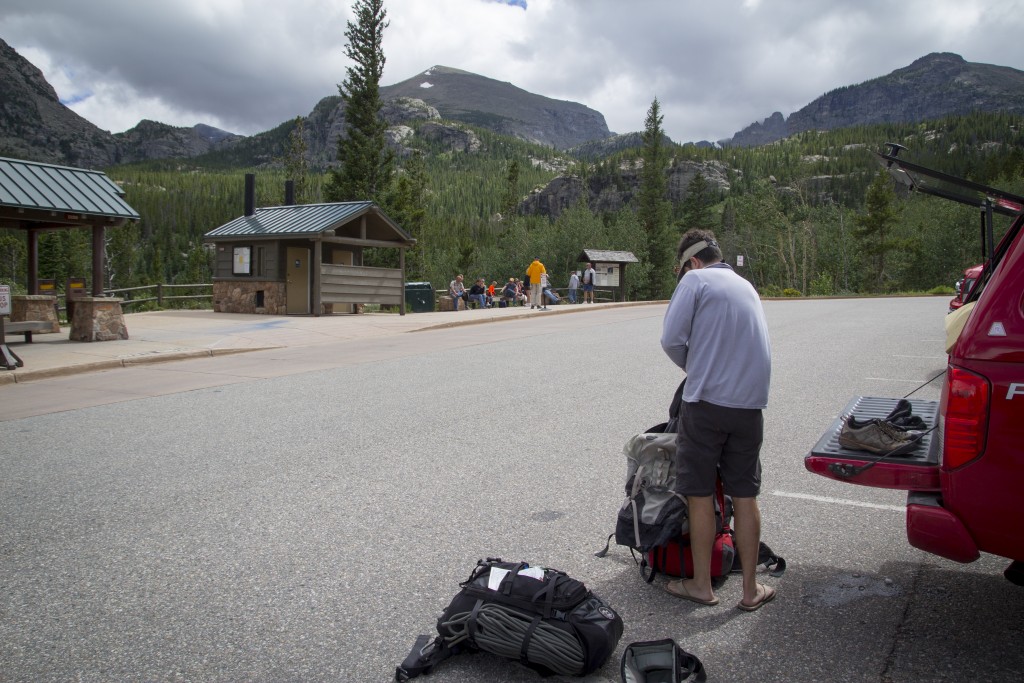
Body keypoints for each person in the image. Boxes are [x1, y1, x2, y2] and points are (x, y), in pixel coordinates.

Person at [660, 229, 774, 612]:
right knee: (745, 495)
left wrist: (697, 366)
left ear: (692, 262)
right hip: (750, 406)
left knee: (700, 494)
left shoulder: (695, 280)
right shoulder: (746, 286)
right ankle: (750, 590)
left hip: (707, 403)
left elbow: (671, 340)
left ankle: (701, 586)